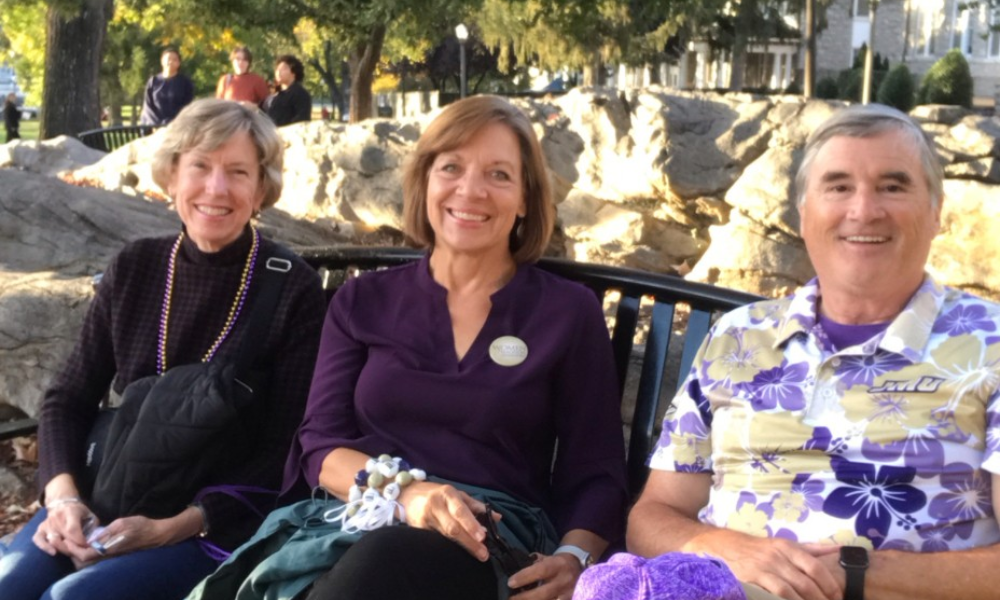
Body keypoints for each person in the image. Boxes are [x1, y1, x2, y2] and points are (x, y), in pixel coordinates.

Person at [191, 95, 628, 600]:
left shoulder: (566, 312)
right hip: (359, 518)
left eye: (499, 175)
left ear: (526, 198)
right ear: (424, 182)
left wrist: (575, 561)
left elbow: (596, 471)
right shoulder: (362, 300)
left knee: (385, 562)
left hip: (489, 537)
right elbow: (319, 446)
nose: (471, 190)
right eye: (451, 167)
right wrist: (404, 495)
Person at [627, 103, 1000, 600]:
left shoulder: (989, 345)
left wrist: (853, 573)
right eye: (839, 186)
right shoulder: (738, 337)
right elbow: (652, 518)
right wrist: (722, 547)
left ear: (936, 213)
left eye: (893, 186)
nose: (863, 210)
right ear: (804, 214)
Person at [0, 99, 326, 600]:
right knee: (12, 584)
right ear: (172, 175)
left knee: (73, 598)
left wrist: (175, 526)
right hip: (104, 494)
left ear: (262, 188)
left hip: (213, 523)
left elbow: (288, 447)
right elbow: (67, 396)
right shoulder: (137, 266)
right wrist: (62, 498)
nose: (216, 189)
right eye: (200, 166)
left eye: (238, 172)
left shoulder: (291, 287)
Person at [140, 48, 195, 126]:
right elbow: (148, 106)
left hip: (178, 126)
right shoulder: (153, 81)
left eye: (175, 59)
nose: (171, 61)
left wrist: (174, 124)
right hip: (154, 127)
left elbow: (187, 106)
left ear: (179, 63)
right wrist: (157, 125)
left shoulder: (185, 83)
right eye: (168, 58)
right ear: (162, 61)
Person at [263, 55, 311, 127]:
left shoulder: (301, 94)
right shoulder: (273, 94)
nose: (278, 72)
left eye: (283, 69)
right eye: (277, 69)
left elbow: (302, 120)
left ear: (293, 72)